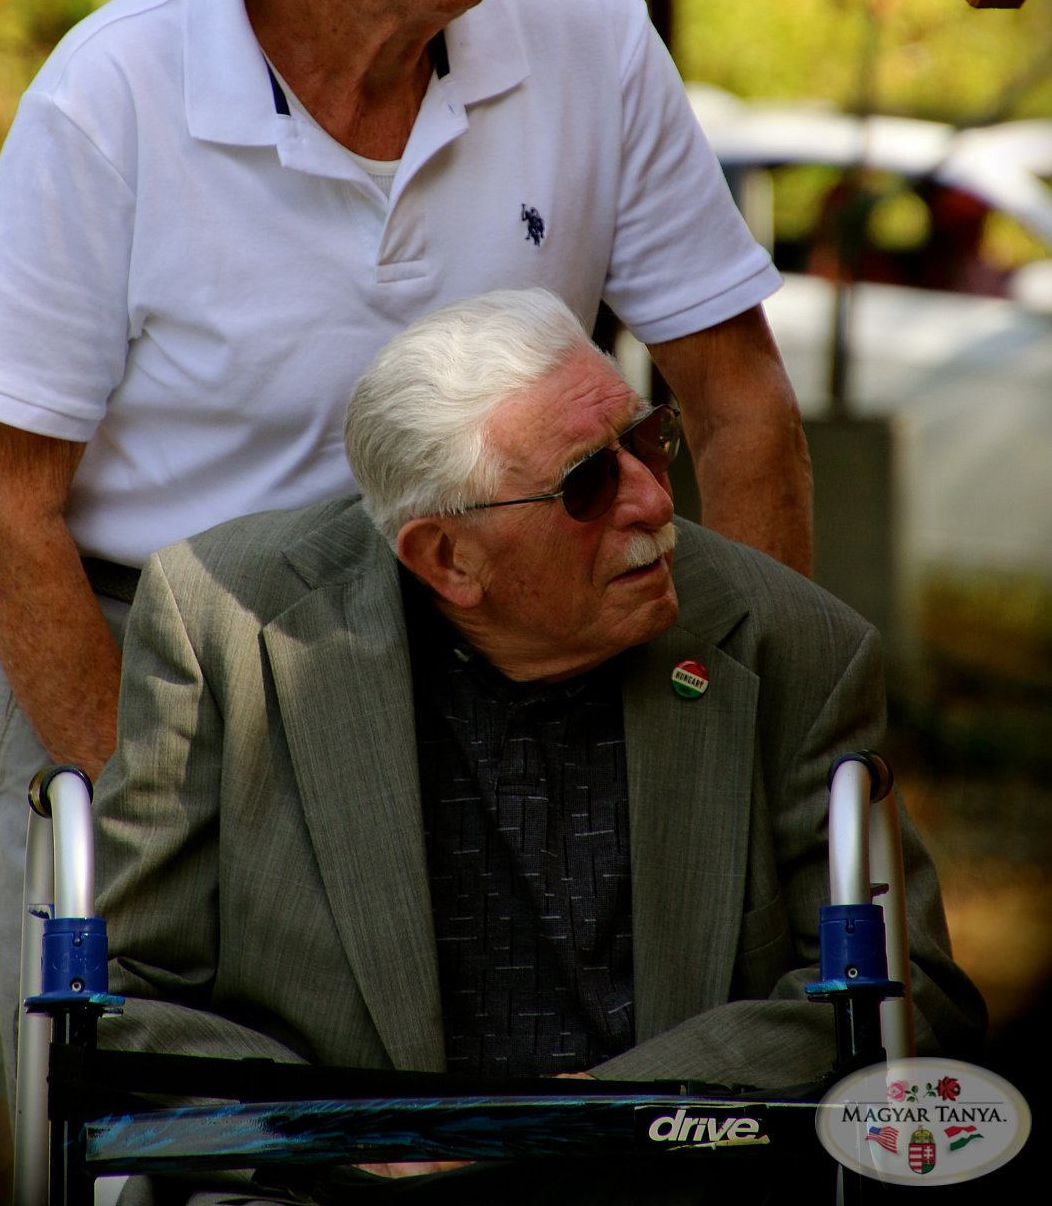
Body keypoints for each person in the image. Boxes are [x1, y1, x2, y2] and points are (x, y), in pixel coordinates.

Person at [0, 0, 810, 1090]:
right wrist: (150, 823)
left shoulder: (583, 29)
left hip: (507, 655)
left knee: (529, 1129)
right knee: (169, 1121)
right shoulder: (113, 93)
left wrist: (754, 728)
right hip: (165, 667)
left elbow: (741, 409)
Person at [93, 287, 982, 1205]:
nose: (650, 500)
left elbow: (909, 996)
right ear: (448, 559)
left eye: (647, 441)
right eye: (588, 484)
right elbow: (121, 989)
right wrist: (335, 1136)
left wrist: (602, 1116)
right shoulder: (228, 623)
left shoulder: (789, 641)